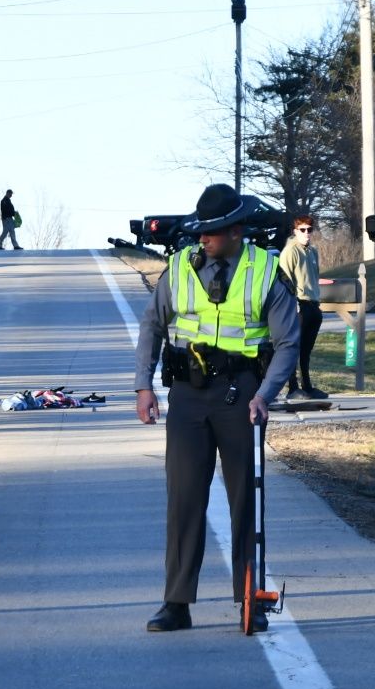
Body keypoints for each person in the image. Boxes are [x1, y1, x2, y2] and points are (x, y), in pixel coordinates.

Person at [134, 184, 299, 633]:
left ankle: (250, 599)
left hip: (242, 394)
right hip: (187, 393)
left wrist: (265, 393)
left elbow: (287, 342)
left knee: (245, 500)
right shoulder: (181, 267)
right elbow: (153, 324)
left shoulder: (265, 270)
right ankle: (176, 601)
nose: (203, 239)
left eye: (213, 232)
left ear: (236, 230)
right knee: (184, 499)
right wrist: (142, 387)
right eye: (201, 231)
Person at [277, 214, 327, 400]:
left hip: (313, 304)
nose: (307, 233)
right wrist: (293, 304)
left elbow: (314, 277)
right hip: (298, 305)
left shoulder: (312, 252)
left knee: (306, 350)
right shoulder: (290, 251)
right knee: (293, 348)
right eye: (302, 230)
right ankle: (292, 387)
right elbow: (283, 279)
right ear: (295, 231)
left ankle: (307, 386)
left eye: (309, 230)